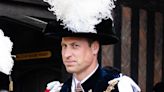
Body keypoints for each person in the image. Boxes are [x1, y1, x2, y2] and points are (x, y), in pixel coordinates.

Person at [43, 0, 141, 92]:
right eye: (64, 46)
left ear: (94, 48)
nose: (66, 54)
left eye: (75, 46)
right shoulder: (57, 90)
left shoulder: (118, 88)